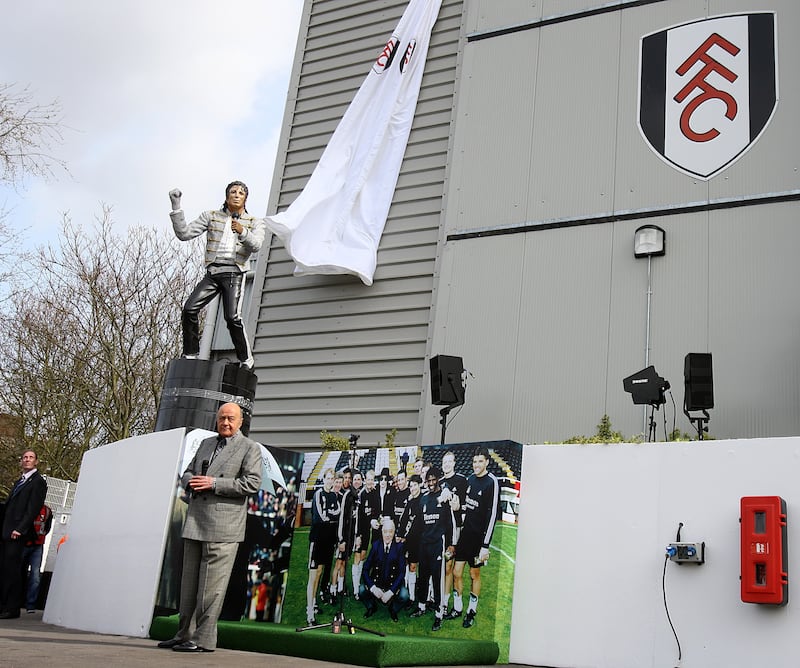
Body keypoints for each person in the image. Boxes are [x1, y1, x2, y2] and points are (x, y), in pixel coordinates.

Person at [157, 402, 262, 652]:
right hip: (195, 521)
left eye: (230, 419)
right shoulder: (206, 444)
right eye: (222, 418)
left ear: (240, 423)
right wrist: (189, 481)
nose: (225, 422)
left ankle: (203, 640)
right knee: (189, 585)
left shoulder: (249, 448)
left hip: (223, 527)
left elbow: (252, 483)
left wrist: (214, 483)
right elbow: (187, 472)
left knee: (211, 589)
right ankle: (184, 634)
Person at [169, 181, 266, 369]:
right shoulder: (211, 216)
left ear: (246, 198)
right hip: (213, 272)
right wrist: (176, 206)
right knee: (189, 309)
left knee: (232, 317)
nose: (236, 195)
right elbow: (184, 233)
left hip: (234, 272)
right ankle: (190, 353)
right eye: (233, 192)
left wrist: (242, 231)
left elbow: (256, 245)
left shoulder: (254, 222)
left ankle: (246, 359)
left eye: (241, 193)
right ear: (226, 196)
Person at [452, 447, 500, 629]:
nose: (476, 465)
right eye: (474, 461)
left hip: (478, 540)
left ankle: (471, 611)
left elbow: (493, 513)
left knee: (474, 574)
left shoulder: (492, 482)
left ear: (487, 462)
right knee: (456, 572)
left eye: (480, 461)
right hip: (465, 536)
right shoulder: (470, 480)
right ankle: (457, 608)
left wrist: (485, 545)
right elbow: (465, 506)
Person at [0, 450, 48, 619]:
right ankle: (4, 604)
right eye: (25, 458)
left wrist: (20, 528)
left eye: (30, 458)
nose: (27, 460)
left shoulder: (38, 483)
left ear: (36, 462)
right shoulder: (19, 481)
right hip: (6, 531)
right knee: (5, 569)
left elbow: (33, 509)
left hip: (17, 533)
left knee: (13, 570)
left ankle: (11, 608)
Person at [408, 467, 455, 632]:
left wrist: (451, 544)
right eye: (428, 480)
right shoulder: (423, 499)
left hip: (437, 545)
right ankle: (421, 606)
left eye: (434, 479)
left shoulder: (444, 496)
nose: (431, 483)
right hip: (424, 544)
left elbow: (450, 523)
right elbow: (419, 524)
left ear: (438, 480)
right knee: (423, 577)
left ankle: (438, 614)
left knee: (437, 580)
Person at [305, 468, 339, 625]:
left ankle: (314, 603)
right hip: (317, 539)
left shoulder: (333, 495)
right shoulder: (318, 494)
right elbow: (321, 517)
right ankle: (309, 612)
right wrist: (331, 515)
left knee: (319, 572)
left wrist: (331, 515)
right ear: (323, 479)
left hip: (328, 540)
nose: (330, 481)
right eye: (328, 478)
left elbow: (337, 513)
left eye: (332, 478)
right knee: (313, 575)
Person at [359, 518, 409, 622]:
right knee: (362, 590)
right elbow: (365, 569)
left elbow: (401, 572)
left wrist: (391, 592)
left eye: (390, 532)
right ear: (381, 532)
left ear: (394, 532)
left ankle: (393, 608)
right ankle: (371, 606)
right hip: (377, 584)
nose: (387, 535)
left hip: (391, 585)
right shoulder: (376, 545)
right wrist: (373, 588)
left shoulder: (399, 547)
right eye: (385, 532)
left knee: (404, 595)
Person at [21, 504, 53, 612]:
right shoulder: (28, 507)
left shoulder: (47, 511)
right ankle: (23, 603)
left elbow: (47, 528)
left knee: (35, 576)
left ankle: (30, 604)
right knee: (26, 574)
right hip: (27, 544)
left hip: (36, 545)